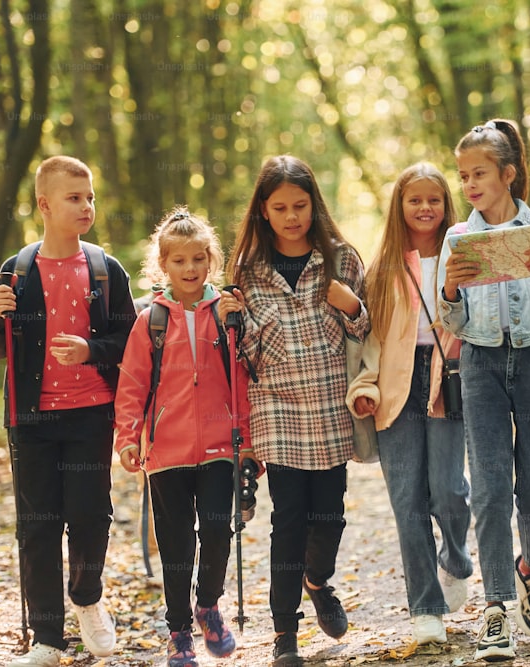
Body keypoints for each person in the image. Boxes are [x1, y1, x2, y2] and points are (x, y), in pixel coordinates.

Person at [0, 156, 136, 667]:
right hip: (32, 420)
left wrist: (91, 350)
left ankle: (88, 599)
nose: (86, 206)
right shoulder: (17, 270)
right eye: (74, 198)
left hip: (91, 413)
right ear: (44, 205)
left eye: (89, 197)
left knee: (90, 517)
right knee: (38, 524)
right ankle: (48, 636)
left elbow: (130, 341)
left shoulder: (104, 269)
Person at [219, 155, 370, 667]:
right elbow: (234, 352)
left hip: (329, 405)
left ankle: (317, 580)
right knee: (288, 520)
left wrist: (352, 307)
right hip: (276, 407)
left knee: (330, 516)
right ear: (263, 210)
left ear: (314, 204)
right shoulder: (245, 271)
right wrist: (227, 322)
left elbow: (368, 335)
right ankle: (285, 633)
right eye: (280, 207)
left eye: (300, 205)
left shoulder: (342, 260)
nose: (291, 216)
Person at [437, 120, 530, 662]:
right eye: (463, 175)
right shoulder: (457, 237)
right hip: (481, 367)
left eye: (479, 174)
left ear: (508, 174)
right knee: (491, 489)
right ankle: (497, 609)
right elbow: (450, 316)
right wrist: (451, 284)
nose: (469, 184)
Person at [114, 208, 254, 667]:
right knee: (176, 545)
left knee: (217, 529)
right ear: (163, 265)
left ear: (211, 260)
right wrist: (128, 438)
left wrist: (248, 440)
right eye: (179, 261)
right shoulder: (150, 320)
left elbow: (244, 378)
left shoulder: (227, 313)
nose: (190, 269)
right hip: (166, 451)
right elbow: (132, 384)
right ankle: (178, 632)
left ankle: (208, 605)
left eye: (198, 258)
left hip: (220, 446)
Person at [345, 162, 473, 646]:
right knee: (407, 501)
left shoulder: (462, 254)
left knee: (448, 492)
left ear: (446, 205)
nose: (425, 208)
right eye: (414, 200)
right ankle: (425, 606)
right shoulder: (383, 267)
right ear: (399, 207)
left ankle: (457, 557)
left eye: (434, 200)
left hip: (449, 379)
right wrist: (366, 386)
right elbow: (371, 339)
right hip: (395, 388)